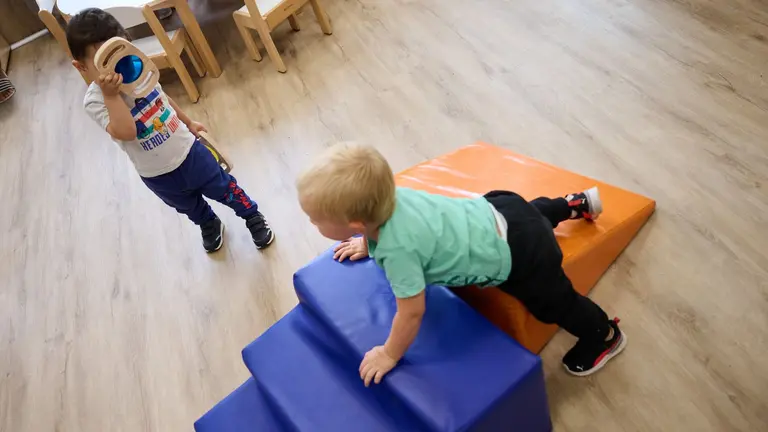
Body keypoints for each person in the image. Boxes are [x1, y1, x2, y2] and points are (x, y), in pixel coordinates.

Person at [296, 143, 626, 386]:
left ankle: (603, 334)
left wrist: (389, 353)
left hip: (520, 253)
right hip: (500, 208)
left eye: (314, 220)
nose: (313, 224)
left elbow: (411, 312)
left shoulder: (398, 253)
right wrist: (368, 243)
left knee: (554, 303)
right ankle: (571, 205)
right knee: (529, 212)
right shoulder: (392, 197)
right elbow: (384, 226)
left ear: (355, 224)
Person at [66, 8, 274, 252]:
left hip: (189, 151)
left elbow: (160, 96)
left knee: (224, 187)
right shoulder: (96, 101)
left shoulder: (136, 68)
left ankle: (251, 214)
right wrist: (111, 96)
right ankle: (208, 222)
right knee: (188, 206)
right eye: (103, 61)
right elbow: (127, 131)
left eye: (116, 51)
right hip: (156, 173)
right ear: (81, 67)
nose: (115, 66)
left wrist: (188, 122)